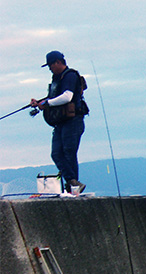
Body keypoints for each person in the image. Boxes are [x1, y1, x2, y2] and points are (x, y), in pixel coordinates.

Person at [30, 51, 88, 194]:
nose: (50, 68)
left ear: (57, 62)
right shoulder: (57, 78)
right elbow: (53, 97)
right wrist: (39, 103)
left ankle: (73, 187)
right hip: (60, 122)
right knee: (56, 153)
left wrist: (47, 103)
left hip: (73, 121)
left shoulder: (70, 75)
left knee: (69, 152)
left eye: (50, 65)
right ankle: (73, 182)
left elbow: (67, 97)